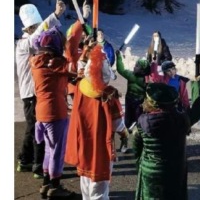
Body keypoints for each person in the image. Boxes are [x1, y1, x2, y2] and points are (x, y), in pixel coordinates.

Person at [65, 44, 129, 199]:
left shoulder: (81, 86)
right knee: (100, 188)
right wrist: (124, 133)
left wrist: (88, 53)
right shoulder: (108, 97)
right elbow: (118, 124)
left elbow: (81, 69)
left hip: (84, 143)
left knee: (86, 183)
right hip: (100, 146)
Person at [32, 21, 83, 198]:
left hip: (41, 113)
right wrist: (80, 25)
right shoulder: (56, 63)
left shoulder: (38, 62)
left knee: (48, 149)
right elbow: (73, 60)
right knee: (57, 151)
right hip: (55, 112)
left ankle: (46, 183)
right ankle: (55, 186)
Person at [15, 0, 65, 178]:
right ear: (29, 28)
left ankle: (24, 160)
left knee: (32, 127)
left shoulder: (30, 42)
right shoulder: (23, 44)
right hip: (31, 92)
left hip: (34, 91)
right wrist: (55, 15)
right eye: (35, 27)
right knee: (37, 128)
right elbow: (39, 35)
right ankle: (37, 165)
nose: (38, 30)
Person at [133, 81, 200, 200]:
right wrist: (198, 85)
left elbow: (136, 147)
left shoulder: (143, 121)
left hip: (150, 170)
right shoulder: (182, 119)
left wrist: (140, 165)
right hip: (176, 169)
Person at [115, 50, 151, 153]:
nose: (134, 67)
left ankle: (126, 143)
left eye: (137, 66)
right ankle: (141, 146)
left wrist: (119, 57)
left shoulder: (131, 75)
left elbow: (120, 69)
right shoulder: (147, 81)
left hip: (132, 101)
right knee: (139, 125)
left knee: (128, 123)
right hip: (138, 102)